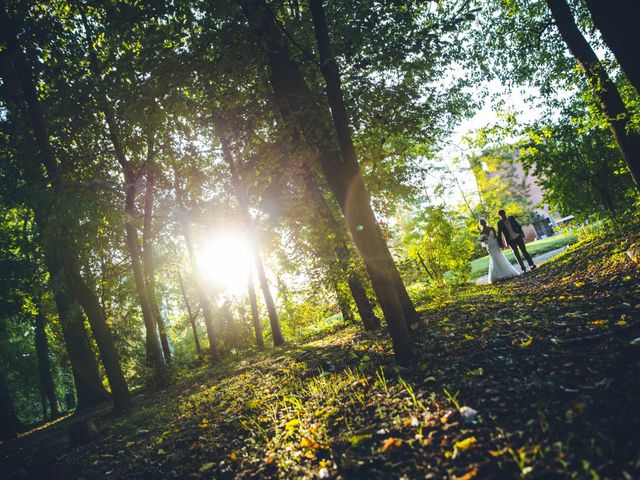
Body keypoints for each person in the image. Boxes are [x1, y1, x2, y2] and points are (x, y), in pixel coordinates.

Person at [478, 219, 520, 283]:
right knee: (494, 259)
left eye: (483, 222)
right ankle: (497, 276)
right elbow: (483, 243)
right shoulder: (481, 233)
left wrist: (501, 244)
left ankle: (505, 273)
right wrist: (485, 241)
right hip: (490, 247)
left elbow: (496, 236)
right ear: (481, 224)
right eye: (482, 223)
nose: (483, 223)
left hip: (495, 244)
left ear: (485, 222)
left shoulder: (491, 228)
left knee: (500, 257)